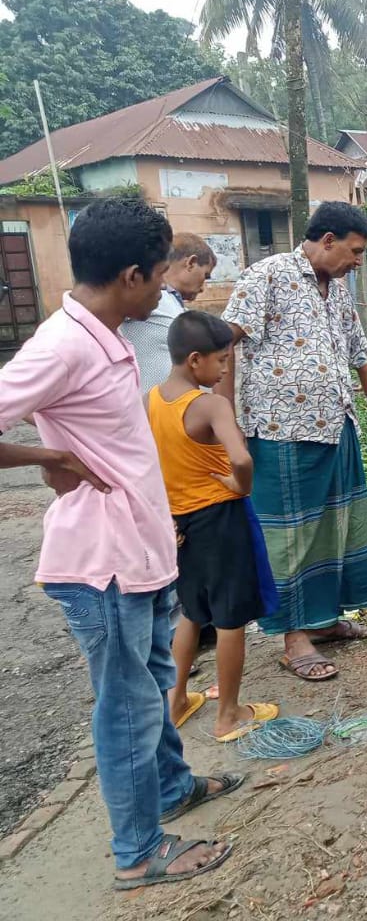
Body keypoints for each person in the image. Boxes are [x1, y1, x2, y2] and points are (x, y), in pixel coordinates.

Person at [0, 198, 242, 889]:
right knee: (129, 706)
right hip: (100, 564)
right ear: (133, 274)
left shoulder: (104, 336)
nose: (167, 288)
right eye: (162, 275)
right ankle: (138, 852)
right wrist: (48, 459)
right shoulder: (63, 344)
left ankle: (171, 789)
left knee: (154, 682)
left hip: (137, 551)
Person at [219, 201, 367, 682]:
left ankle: (323, 621)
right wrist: (227, 421)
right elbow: (223, 342)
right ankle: (293, 637)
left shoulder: (337, 292)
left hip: (335, 427)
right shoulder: (267, 277)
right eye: (355, 251)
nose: (358, 261)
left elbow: (365, 359)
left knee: (335, 527)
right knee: (290, 538)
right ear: (327, 240)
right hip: (280, 432)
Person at [149, 310, 281, 742]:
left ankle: (178, 700)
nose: (226, 370)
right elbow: (241, 458)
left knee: (191, 612)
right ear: (194, 360)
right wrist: (241, 485)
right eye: (221, 361)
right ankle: (229, 713)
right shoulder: (210, 404)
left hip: (182, 522)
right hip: (223, 519)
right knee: (230, 618)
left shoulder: (152, 400)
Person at [121, 233, 218, 394]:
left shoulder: (172, 304)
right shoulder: (144, 298)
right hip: (152, 409)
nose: (202, 288)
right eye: (204, 276)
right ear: (191, 263)